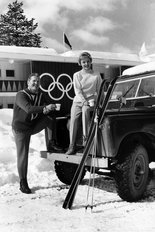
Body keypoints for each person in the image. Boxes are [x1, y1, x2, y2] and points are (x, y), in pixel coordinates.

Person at [12, 73, 61, 194]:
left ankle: (51, 143)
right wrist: (44, 108)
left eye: (38, 81)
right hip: (21, 129)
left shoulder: (40, 94)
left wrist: (51, 107)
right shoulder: (21, 94)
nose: (36, 83)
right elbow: (28, 109)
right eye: (33, 81)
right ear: (28, 82)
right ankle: (23, 182)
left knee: (50, 117)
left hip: (32, 125)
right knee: (23, 155)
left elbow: (46, 106)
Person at [65, 52, 102, 155]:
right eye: (83, 62)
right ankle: (71, 146)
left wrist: (101, 103)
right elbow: (77, 91)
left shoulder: (96, 75)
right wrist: (83, 101)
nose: (86, 64)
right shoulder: (76, 75)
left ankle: (86, 145)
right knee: (73, 121)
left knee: (85, 113)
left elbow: (99, 90)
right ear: (80, 63)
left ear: (91, 62)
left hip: (90, 102)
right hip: (78, 101)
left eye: (87, 62)